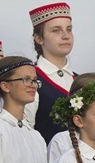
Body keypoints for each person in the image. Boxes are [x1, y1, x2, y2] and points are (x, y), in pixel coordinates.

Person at [24, 2, 75, 144]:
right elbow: (24, 136)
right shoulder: (30, 81)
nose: (66, 36)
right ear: (39, 38)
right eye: (56, 30)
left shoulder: (80, 80)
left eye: (69, 29)